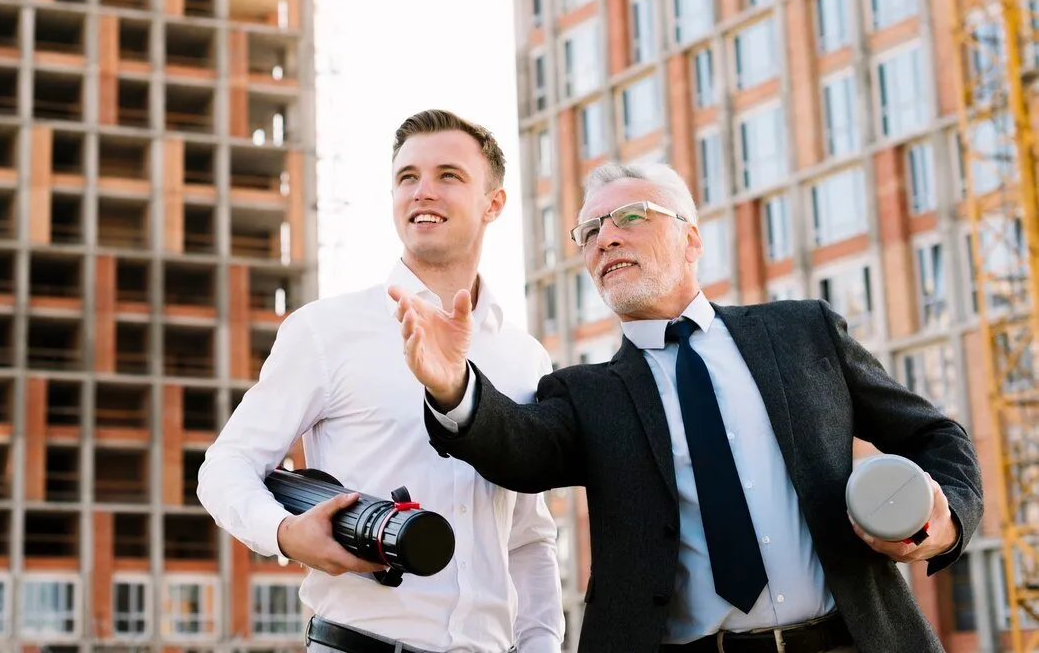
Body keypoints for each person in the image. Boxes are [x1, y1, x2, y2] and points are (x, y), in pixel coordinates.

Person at [388, 162, 983, 653]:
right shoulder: (584, 392)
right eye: (589, 232)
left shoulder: (804, 333)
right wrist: (452, 386)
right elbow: (515, 447)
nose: (606, 238)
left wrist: (945, 520)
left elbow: (935, 434)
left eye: (629, 218)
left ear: (691, 238)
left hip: (850, 641)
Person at [197, 109, 565, 653]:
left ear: (494, 203)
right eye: (407, 177)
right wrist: (284, 533)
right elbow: (225, 467)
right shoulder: (326, 330)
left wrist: (541, 645)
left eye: (449, 176)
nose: (423, 192)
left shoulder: (525, 358)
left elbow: (529, 534)